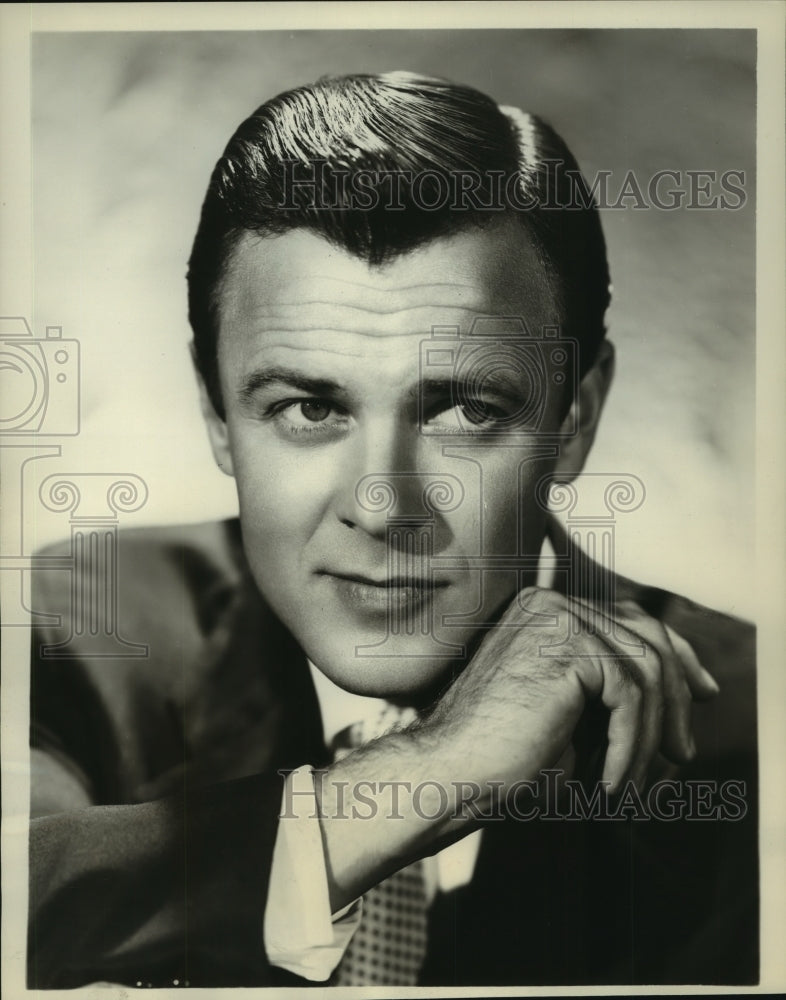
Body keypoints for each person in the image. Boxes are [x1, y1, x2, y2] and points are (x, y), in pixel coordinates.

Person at [27, 72, 757, 988]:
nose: (381, 505)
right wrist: (432, 770)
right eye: (305, 407)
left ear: (574, 415)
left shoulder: (755, 735)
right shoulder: (78, 632)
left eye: (463, 409)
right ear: (216, 411)